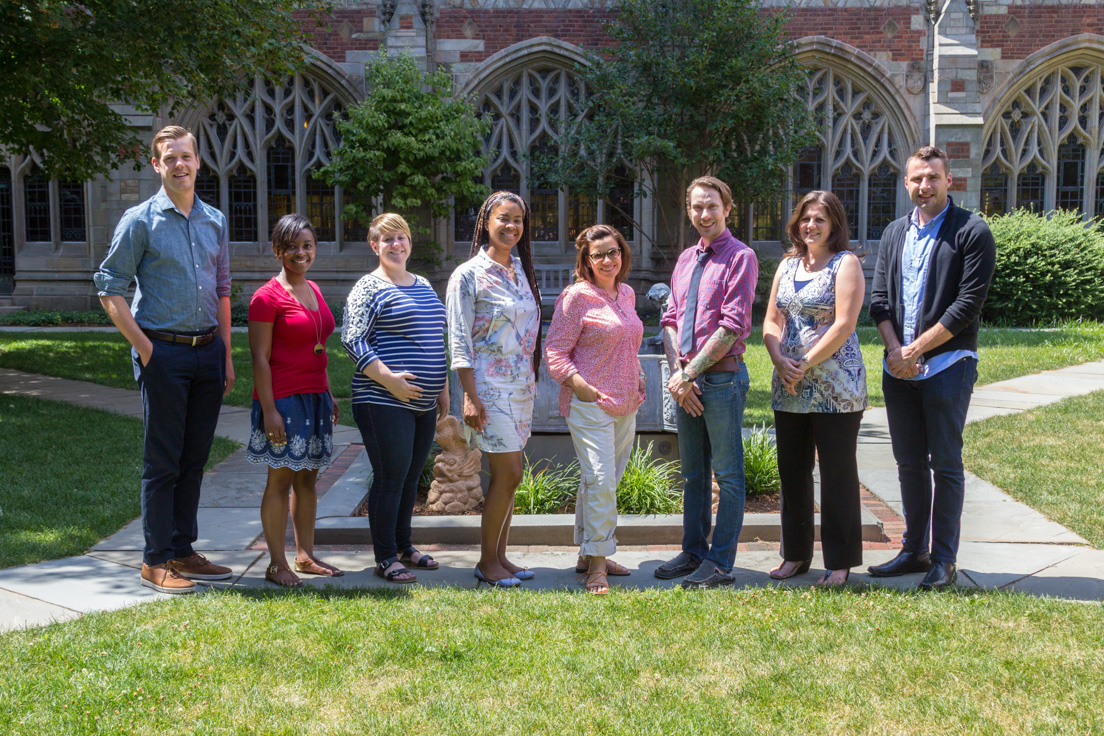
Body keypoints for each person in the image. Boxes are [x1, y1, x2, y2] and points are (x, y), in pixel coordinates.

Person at [94, 125, 235, 594]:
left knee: (194, 458)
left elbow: (222, 289)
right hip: (163, 354)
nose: (180, 164)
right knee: (163, 462)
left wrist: (226, 355)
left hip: (207, 354)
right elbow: (109, 287)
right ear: (157, 165)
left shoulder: (214, 219)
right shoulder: (140, 221)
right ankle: (154, 560)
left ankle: (182, 549)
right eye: (169, 157)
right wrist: (145, 348)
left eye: (186, 156)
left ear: (199, 162)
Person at [868, 145, 996, 590]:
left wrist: (916, 349)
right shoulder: (894, 234)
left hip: (948, 363)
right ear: (906, 184)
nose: (924, 186)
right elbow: (879, 299)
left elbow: (966, 306)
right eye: (916, 179)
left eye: (932, 178)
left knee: (945, 464)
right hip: (898, 367)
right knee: (907, 464)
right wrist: (894, 352)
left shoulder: (972, 231)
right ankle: (914, 550)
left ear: (949, 182)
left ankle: (944, 559)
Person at [656, 176, 758, 589]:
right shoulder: (684, 259)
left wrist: (689, 374)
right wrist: (678, 375)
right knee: (694, 475)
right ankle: (693, 550)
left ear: (727, 208)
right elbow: (669, 320)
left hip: (721, 382)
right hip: (688, 382)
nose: (704, 215)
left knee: (728, 475)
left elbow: (732, 327)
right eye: (697, 207)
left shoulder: (741, 257)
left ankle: (720, 563)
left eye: (711, 206)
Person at [763, 191, 868, 587]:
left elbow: (844, 323)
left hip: (835, 387)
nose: (812, 226)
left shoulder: (846, 264)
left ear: (835, 224)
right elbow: (772, 321)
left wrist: (805, 363)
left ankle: (839, 562)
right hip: (788, 384)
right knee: (792, 473)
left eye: (821, 219)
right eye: (806, 218)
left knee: (838, 473)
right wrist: (778, 358)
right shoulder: (788, 264)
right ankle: (795, 555)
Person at [343, 213, 449, 584]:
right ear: (374, 245)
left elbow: (436, 334)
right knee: (390, 477)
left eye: (401, 237)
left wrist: (443, 386)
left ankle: (404, 546)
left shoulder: (422, 284)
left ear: (409, 241)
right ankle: (385, 557)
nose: (395, 245)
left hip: (423, 403)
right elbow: (352, 339)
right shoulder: (368, 287)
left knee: (407, 478)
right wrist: (390, 380)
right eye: (386, 239)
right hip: (382, 399)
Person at [446, 191, 542, 588]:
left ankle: (501, 557)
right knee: (509, 472)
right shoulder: (467, 275)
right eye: (504, 218)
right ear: (486, 221)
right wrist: (469, 395)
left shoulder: (520, 269)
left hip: (521, 388)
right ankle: (487, 563)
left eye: (518, 220)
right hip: (488, 387)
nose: (511, 226)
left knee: (511, 479)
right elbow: (459, 339)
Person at [545, 224, 646, 595]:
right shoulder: (576, 298)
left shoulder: (627, 293)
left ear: (623, 254)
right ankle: (598, 567)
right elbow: (554, 351)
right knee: (601, 481)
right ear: (586, 260)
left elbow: (627, 343)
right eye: (598, 254)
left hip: (626, 402)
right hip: (589, 403)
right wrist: (579, 384)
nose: (607, 260)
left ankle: (589, 554)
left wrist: (637, 375)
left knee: (604, 482)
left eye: (613, 251)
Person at [247, 214, 343, 587]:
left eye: (307, 245)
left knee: (308, 480)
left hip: (314, 397)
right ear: (277, 250)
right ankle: (276, 564)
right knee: (281, 480)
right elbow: (259, 358)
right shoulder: (265, 298)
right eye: (292, 247)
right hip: (283, 400)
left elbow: (316, 347)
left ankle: (305, 556)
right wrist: (270, 410)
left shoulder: (313, 289)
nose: (301, 253)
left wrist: (328, 393)